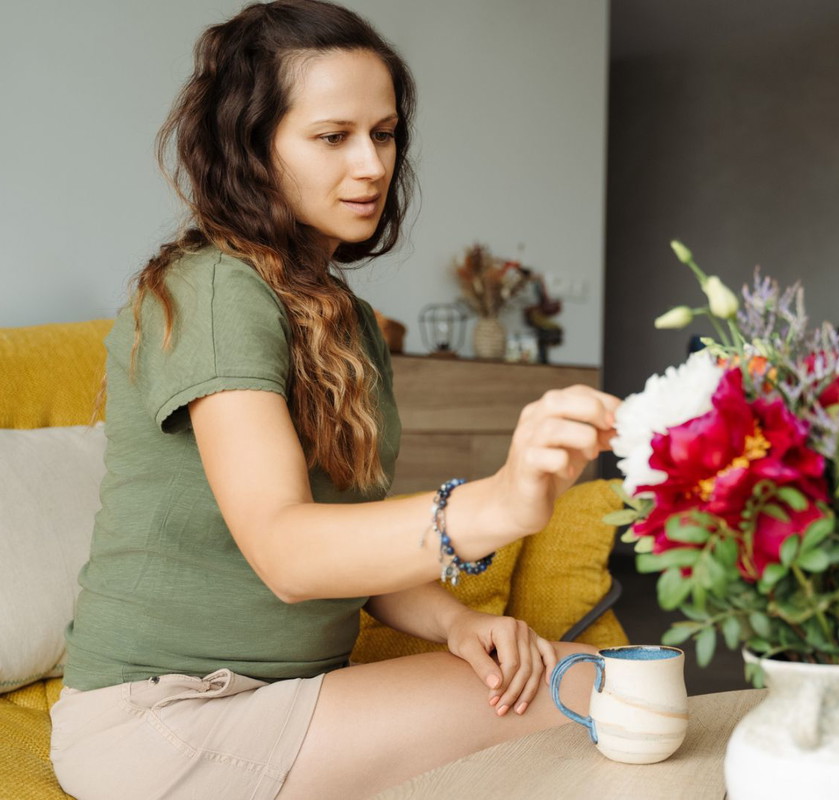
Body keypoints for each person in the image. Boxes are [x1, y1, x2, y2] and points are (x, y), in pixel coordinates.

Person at [48, 2, 619, 798]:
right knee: (603, 696)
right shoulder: (215, 290)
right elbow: (290, 554)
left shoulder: (344, 318)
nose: (372, 165)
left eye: (383, 134)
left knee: (599, 689)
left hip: (277, 698)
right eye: (332, 136)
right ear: (253, 148)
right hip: (165, 718)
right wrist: (498, 503)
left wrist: (460, 623)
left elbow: (348, 549)